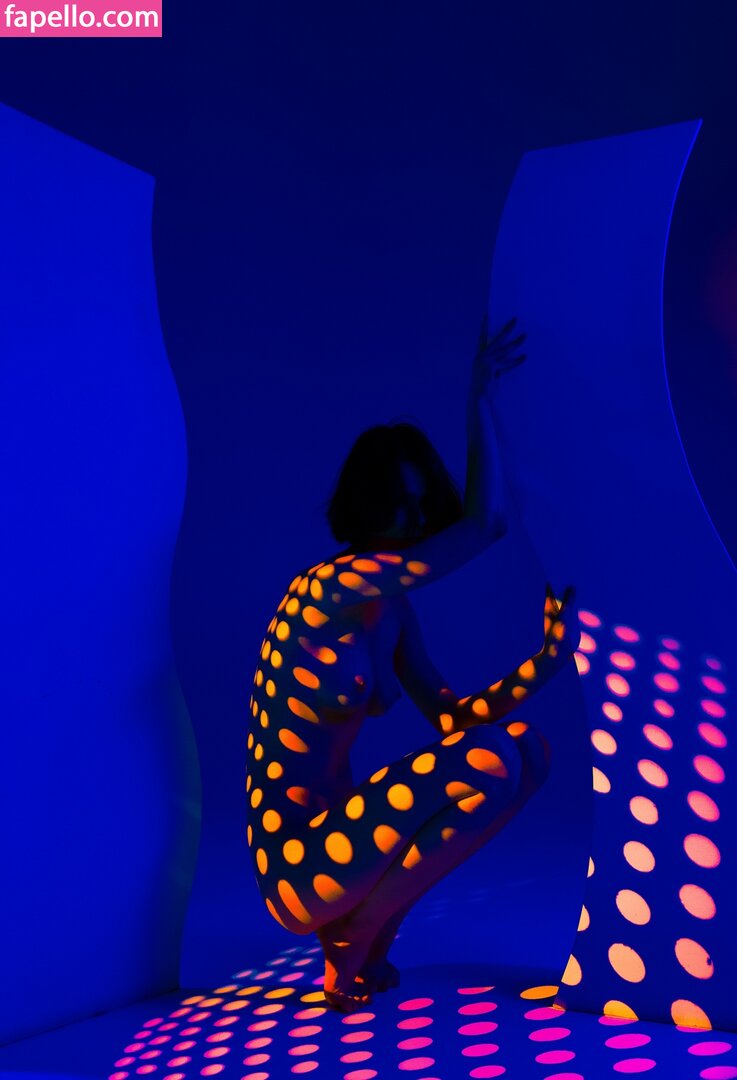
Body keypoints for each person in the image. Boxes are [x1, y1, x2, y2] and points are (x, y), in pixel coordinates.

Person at [245, 315, 578, 1012]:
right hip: (299, 868)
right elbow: (486, 525)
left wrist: (544, 662)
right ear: (364, 504)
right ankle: (360, 935)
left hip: (349, 849)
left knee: (525, 750)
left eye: (422, 504)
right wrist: (477, 398)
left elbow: (453, 720)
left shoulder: (390, 609)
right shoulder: (325, 589)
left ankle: (367, 930)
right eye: (397, 503)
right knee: (491, 758)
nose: (413, 521)